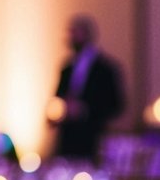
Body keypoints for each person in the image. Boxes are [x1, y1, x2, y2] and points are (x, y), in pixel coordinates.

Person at [49, 14, 125, 161]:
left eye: (75, 32)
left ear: (87, 34)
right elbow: (57, 99)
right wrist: (57, 112)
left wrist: (84, 109)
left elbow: (116, 104)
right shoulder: (67, 68)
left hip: (92, 139)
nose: (71, 37)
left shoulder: (105, 69)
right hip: (67, 140)